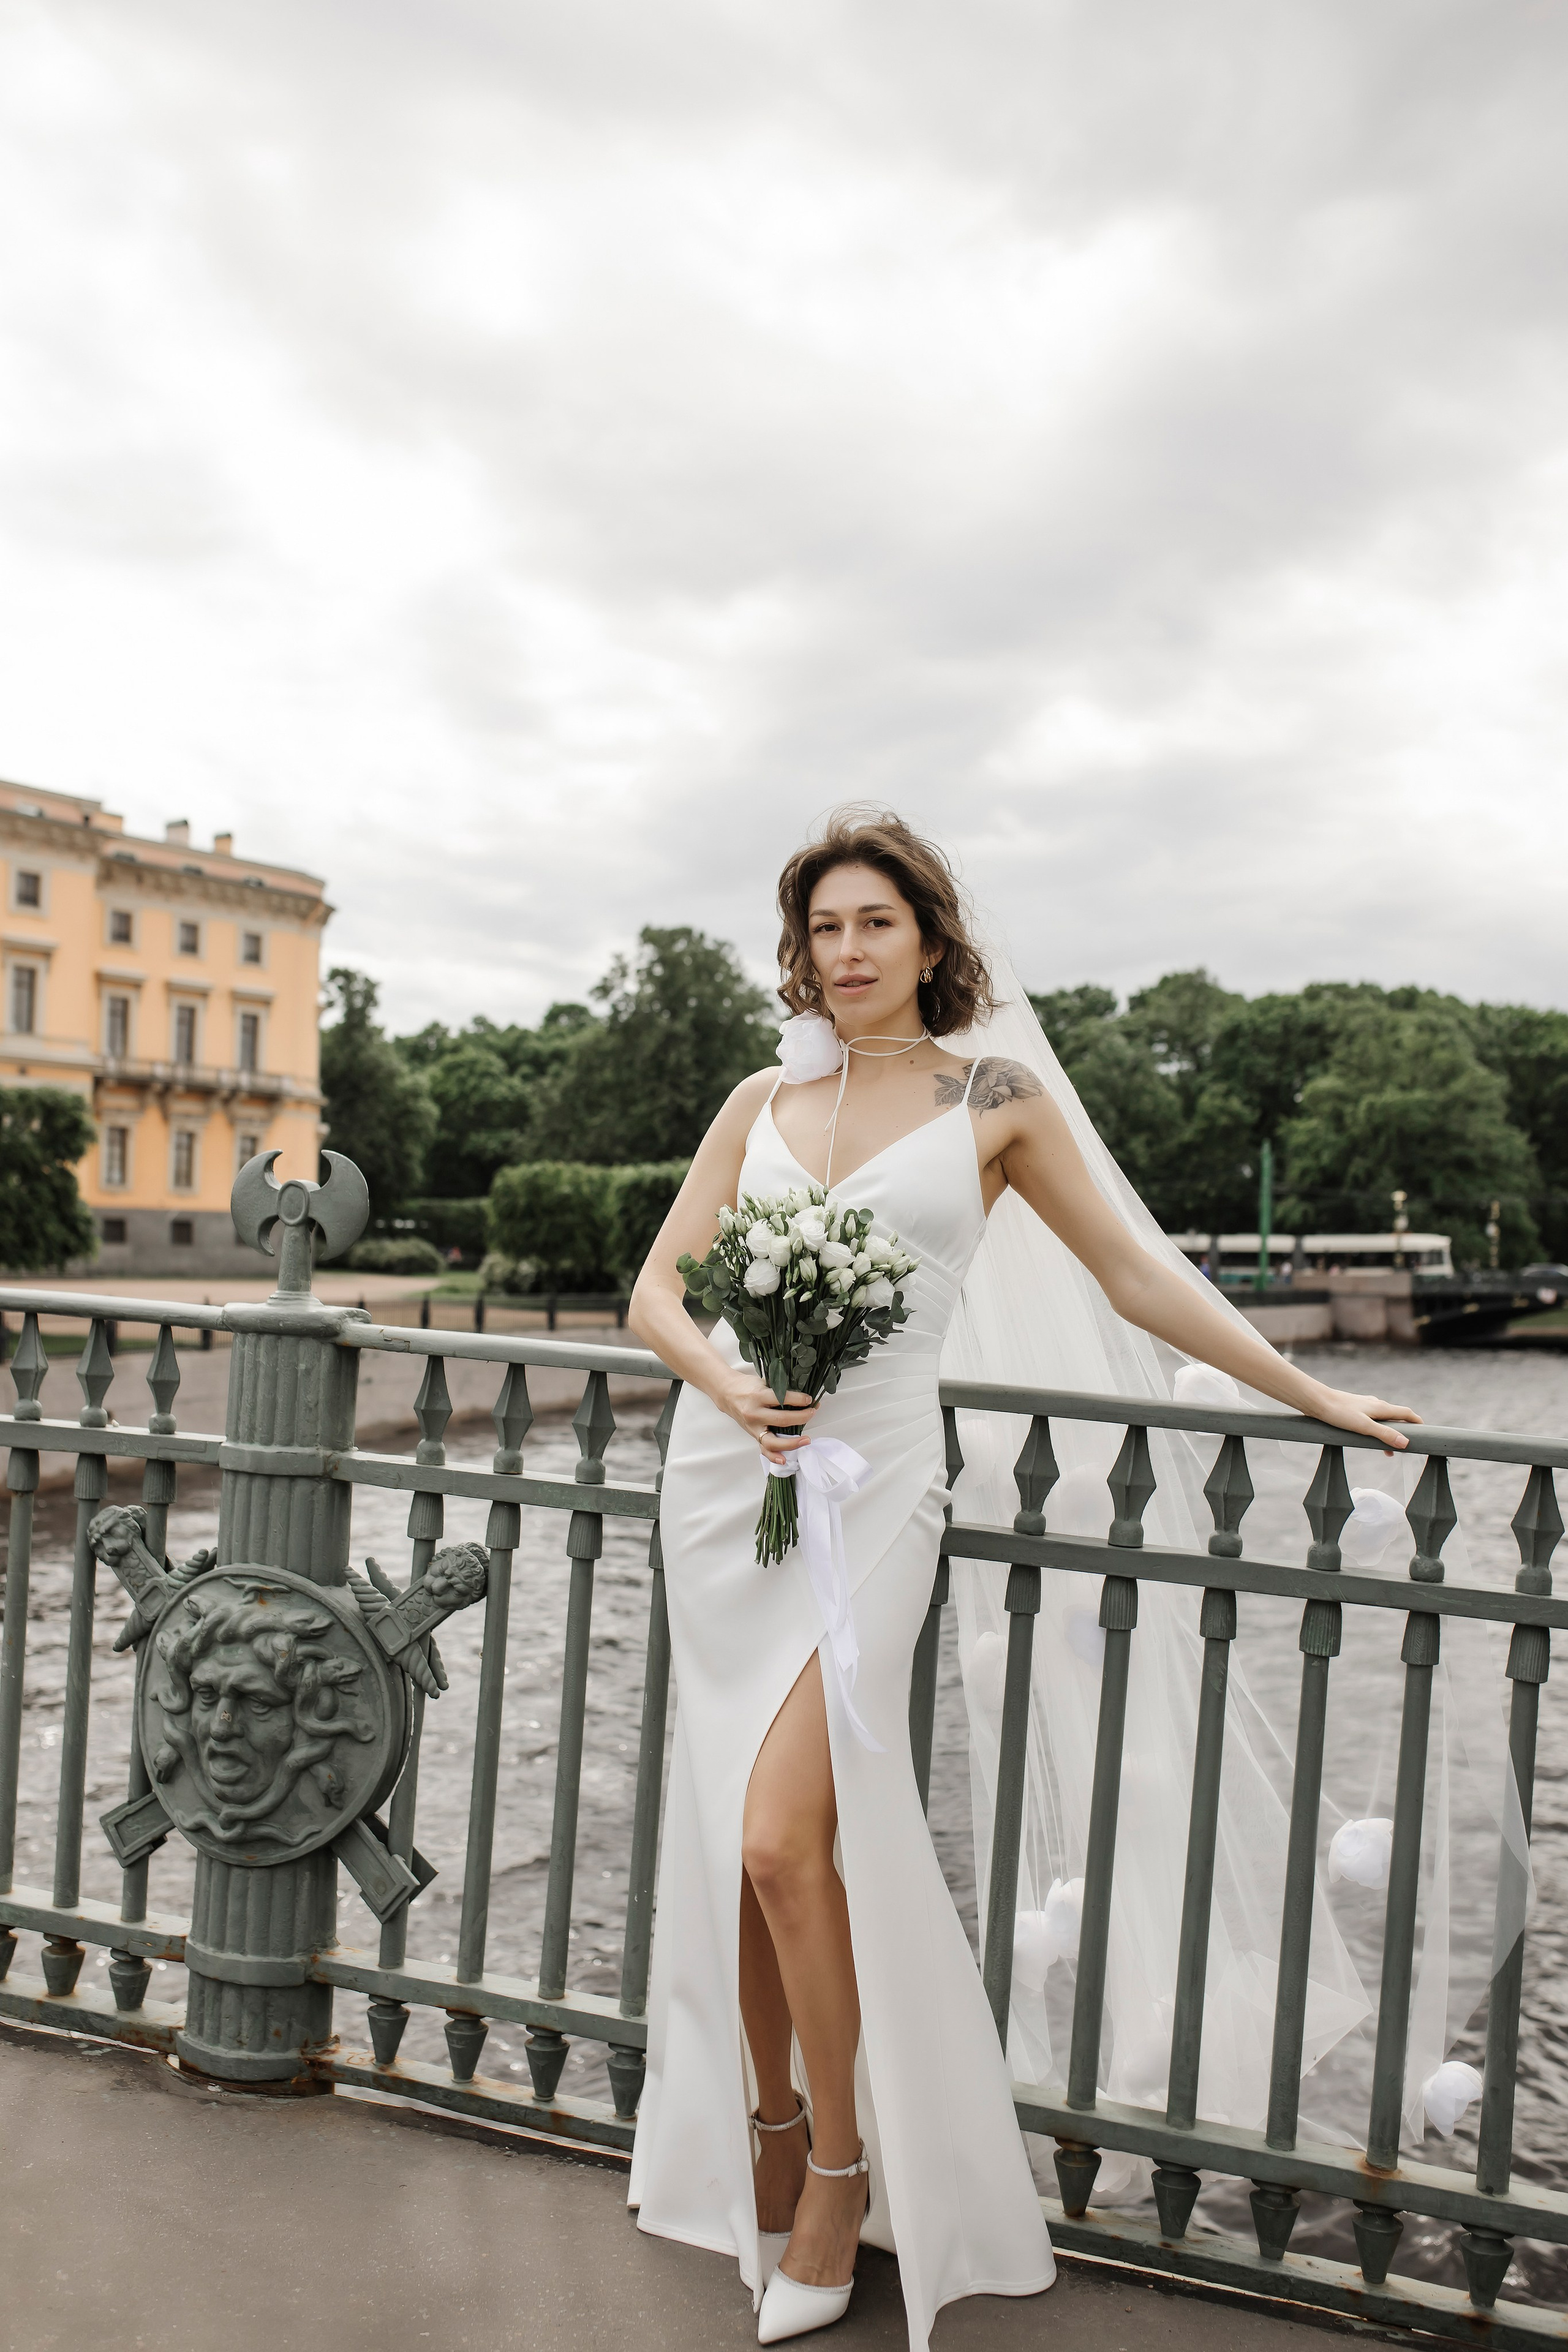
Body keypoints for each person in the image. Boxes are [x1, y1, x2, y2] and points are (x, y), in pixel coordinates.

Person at [625, 811, 1417, 2350]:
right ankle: (767, 2133)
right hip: (728, 1478)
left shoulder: (992, 1097)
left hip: (877, 1491)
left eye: (871, 925)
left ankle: (840, 2173)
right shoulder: (758, 1095)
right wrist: (726, 1388)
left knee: (791, 1841)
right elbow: (659, 1287)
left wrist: (1304, 1393)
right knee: (735, 1849)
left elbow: (1134, 1273)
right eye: (819, 932)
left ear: (929, 937)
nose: (841, 956)